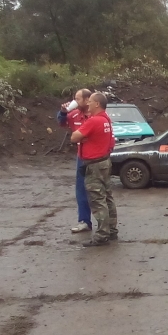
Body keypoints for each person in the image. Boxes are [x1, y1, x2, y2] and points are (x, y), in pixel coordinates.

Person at [70, 92, 117, 247]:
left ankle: (102, 235)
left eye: (90, 101)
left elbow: (74, 137)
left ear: (97, 104)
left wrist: (83, 137)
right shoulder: (106, 119)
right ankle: (111, 230)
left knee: (97, 200)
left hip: (94, 164)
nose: (87, 103)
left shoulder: (94, 121)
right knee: (107, 197)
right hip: (104, 162)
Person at [57, 88, 93, 234]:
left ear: (87, 100)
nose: (75, 101)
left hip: (97, 157)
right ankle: (84, 221)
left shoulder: (96, 115)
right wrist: (63, 112)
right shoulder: (74, 114)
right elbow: (62, 122)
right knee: (81, 189)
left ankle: (107, 224)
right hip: (82, 156)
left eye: (77, 99)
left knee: (100, 190)